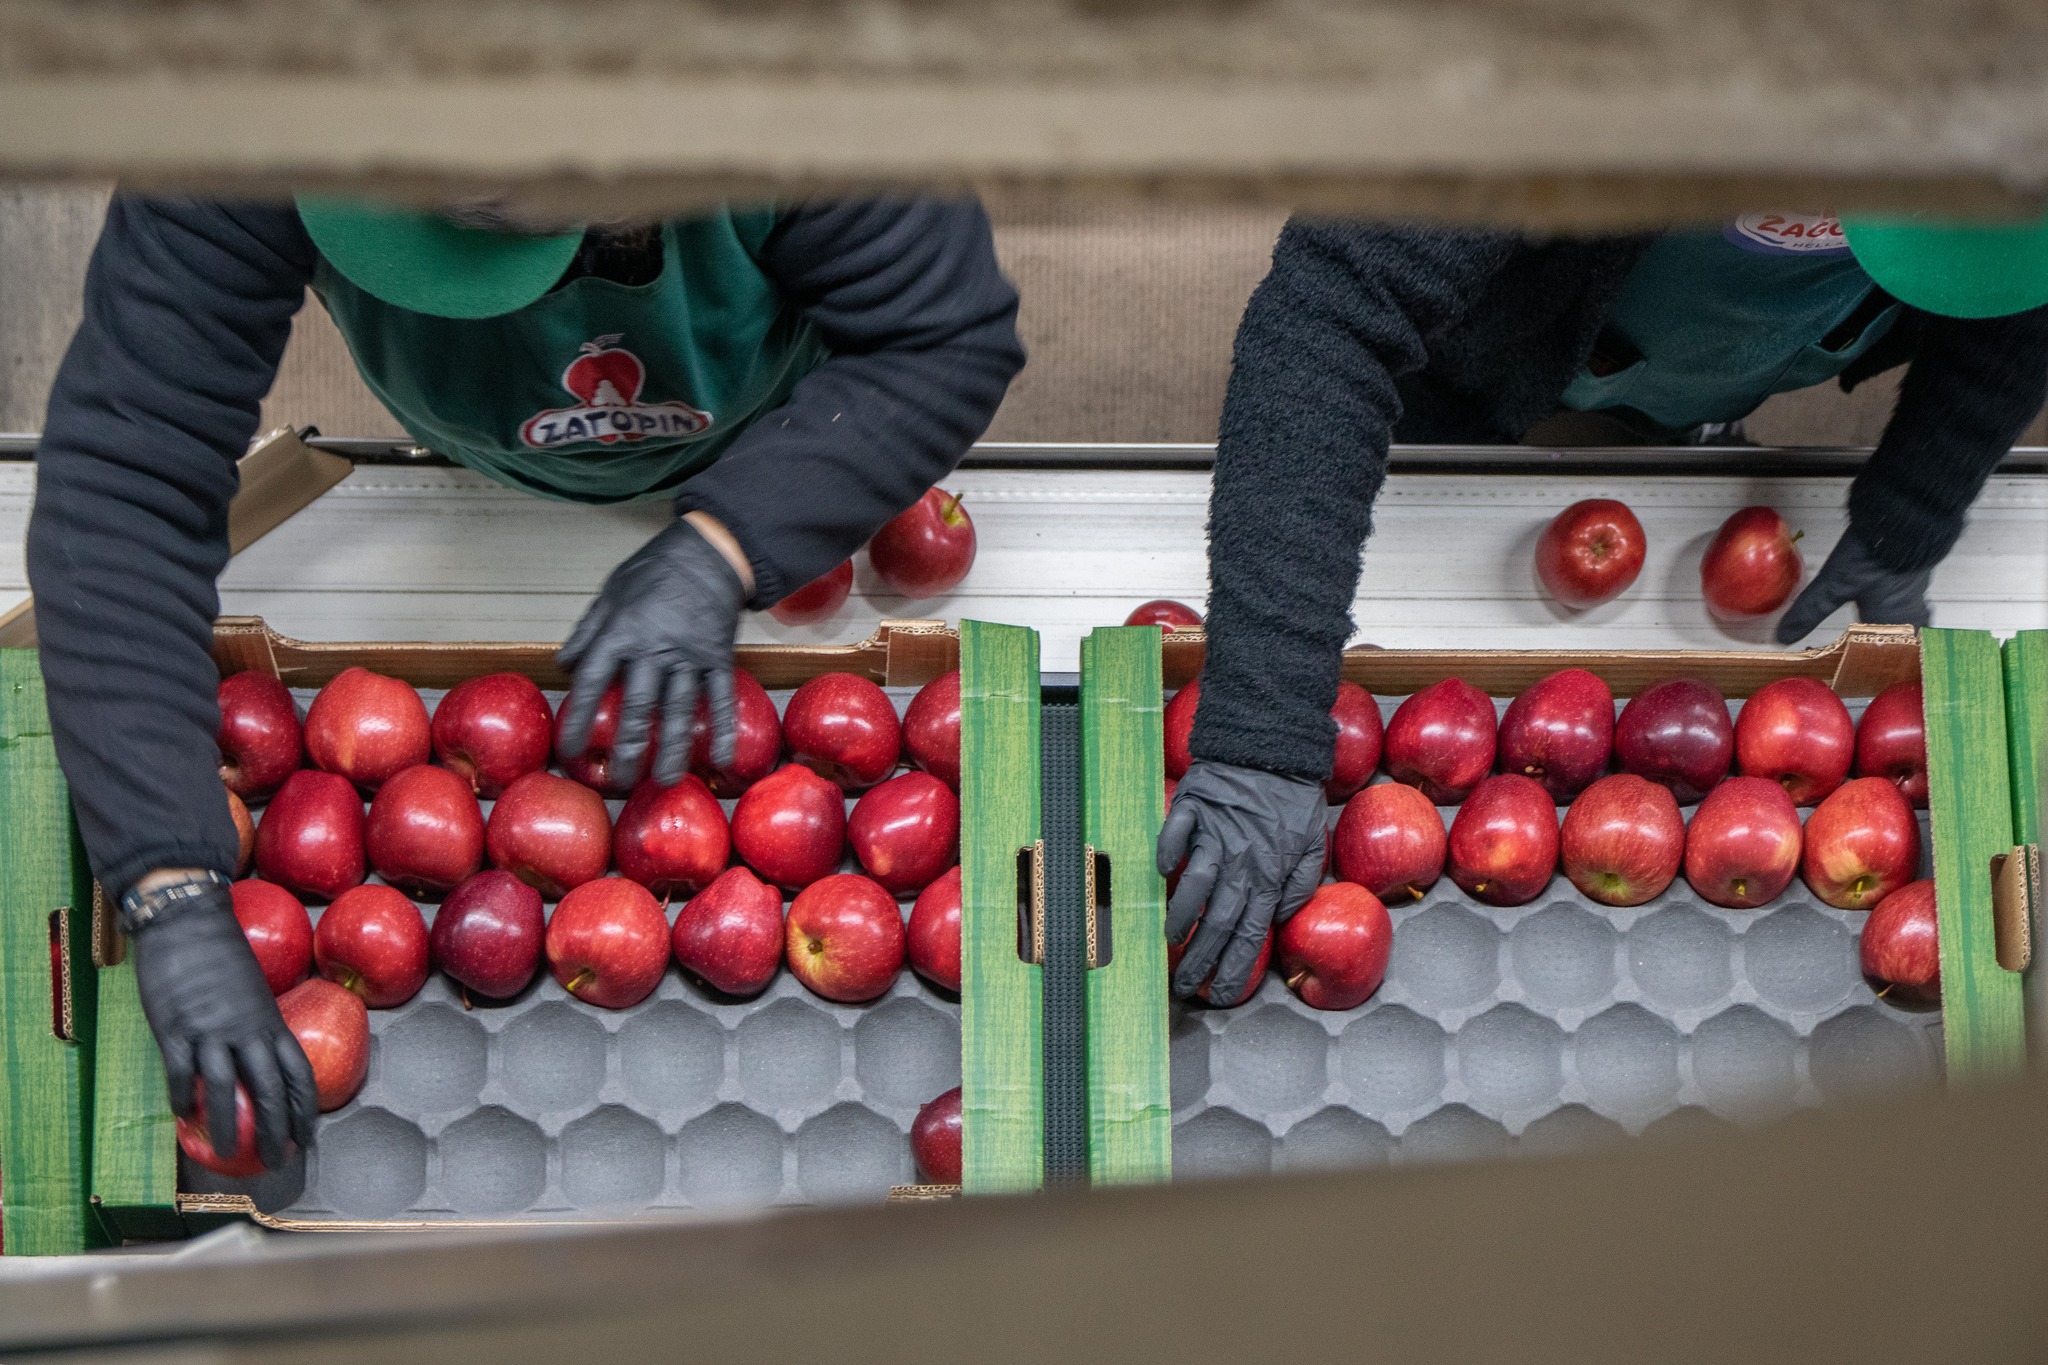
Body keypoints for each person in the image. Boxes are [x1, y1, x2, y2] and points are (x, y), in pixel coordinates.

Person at [30, 195, 1024, 1170]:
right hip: (487, 446)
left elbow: (941, 339)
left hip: (764, 411)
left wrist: (727, 540)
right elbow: (125, 486)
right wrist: (165, 880)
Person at [1159, 209, 2048, 1005]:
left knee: (1697, 378)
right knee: (1427, 443)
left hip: (1725, 333)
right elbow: (1337, 308)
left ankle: (1680, 405)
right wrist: (1268, 722)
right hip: (1505, 325)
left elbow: (2024, 296)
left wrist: (1921, 498)